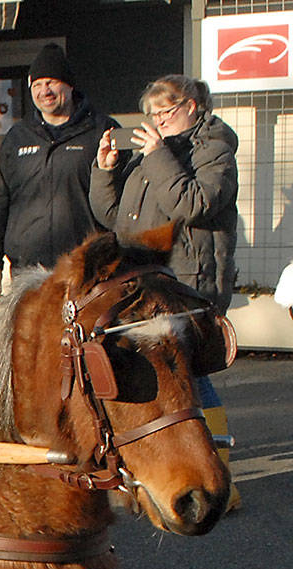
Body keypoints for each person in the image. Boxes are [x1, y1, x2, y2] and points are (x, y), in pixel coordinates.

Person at [90, 74, 241, 511]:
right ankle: (188, 466)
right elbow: (114, 215)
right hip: (149, 281)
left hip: (188, 283)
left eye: (166, 112)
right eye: (152, 114)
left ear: (193, 106)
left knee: (192, 373)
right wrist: (106, 170)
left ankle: (219, 478)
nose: (157, 121)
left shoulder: (214, 148)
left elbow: (193, 204)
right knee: (176, 375)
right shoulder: (154, 154)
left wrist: (156, 156)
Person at [0, 44, 115, 298]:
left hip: (86, 267)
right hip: (28, 270)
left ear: (69, 84)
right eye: (37, 85)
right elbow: (0, 200)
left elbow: (120, 198)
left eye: (52, 82)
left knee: (82, 338)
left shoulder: (101, 131)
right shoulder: (17, 137)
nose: (45, 91)